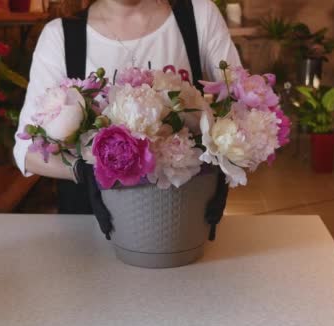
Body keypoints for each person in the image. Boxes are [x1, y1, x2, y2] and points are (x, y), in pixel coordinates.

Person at [14, 0, 241, 215]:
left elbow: (242, 107)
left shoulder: (197, 16)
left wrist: (221, 169)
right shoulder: (62, 36)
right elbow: (26, 150)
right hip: (91, 218)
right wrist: (82, 171)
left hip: (182, 212)